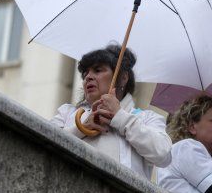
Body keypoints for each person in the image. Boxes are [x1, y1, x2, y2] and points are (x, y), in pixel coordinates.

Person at [50, 44, 171, 179]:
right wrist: (82, 127)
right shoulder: (67, 113)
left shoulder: (146, 119)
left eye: (98, 70)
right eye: (85, 74)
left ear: (123, 78)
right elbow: (45, 142)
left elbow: (163, 155)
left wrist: (120, 117)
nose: (88, 77)